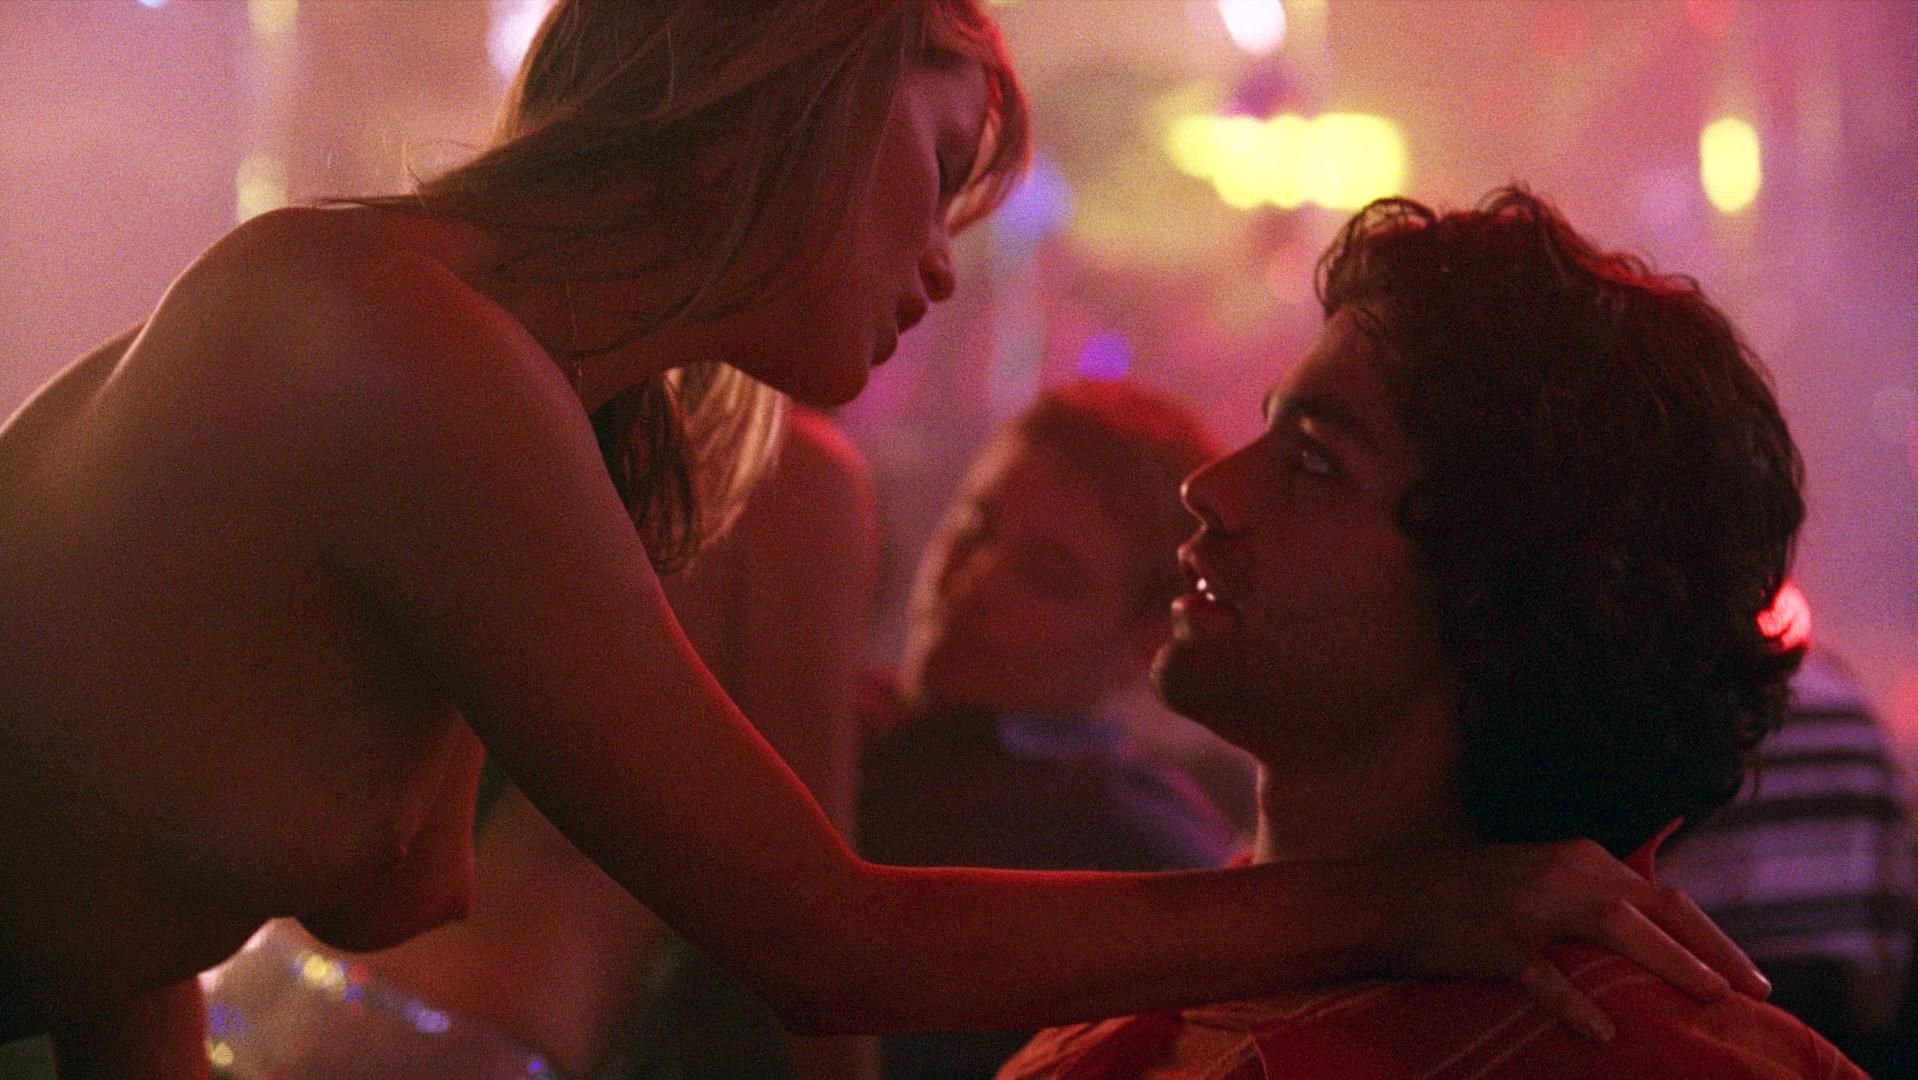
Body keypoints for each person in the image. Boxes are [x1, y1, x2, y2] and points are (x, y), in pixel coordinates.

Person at [0, 2, 1763, 1075]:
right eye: (934, 171)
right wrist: (1419, 907)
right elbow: (830, 948)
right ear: (804, 102)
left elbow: (131, 905)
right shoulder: (387, 344)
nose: (941, 265)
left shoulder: (493, 402)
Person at [999, 188, 1869, 1079]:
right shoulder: (1150, 974)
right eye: (1270, 429)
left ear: (1505, 597)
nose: (1210, 488)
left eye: (1316, 460)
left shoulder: (1637, 1058)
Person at [196, 406, 881, 1080]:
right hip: (473, 1034)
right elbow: (812, 908)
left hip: (269, 985)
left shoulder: (525, 397)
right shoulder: (791, 475)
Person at [858, 380, 1240, 1078]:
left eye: (1045, 576)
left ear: (1145, 643)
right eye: (974, 527)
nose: (974, 580)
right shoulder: (875, 734)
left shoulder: (1135, 851)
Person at [1662, 635, 1918, 1074]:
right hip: (1840, 992)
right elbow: (1889, 870)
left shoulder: (1687, 706)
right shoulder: (1847, 704)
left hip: (1701, 987)